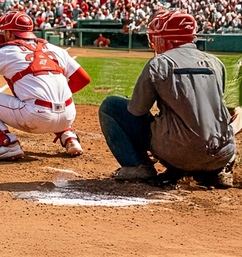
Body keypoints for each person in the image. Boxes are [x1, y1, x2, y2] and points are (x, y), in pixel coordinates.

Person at [98, 10, 236, 188]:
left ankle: (137, 166)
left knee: (111, 105)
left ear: (167, 38)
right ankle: (216, 172)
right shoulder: (216, 62)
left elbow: (137, 110)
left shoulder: (159, 63)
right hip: (221, 154)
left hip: (178, 153)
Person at [0, 10, 92, 160]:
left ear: (9, 33)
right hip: (68, 115)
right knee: (50, 97)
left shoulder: (6, 51)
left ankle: (9, 145)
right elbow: (83, 79)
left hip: (36, 117)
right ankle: (69, 137)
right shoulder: (56, 49)